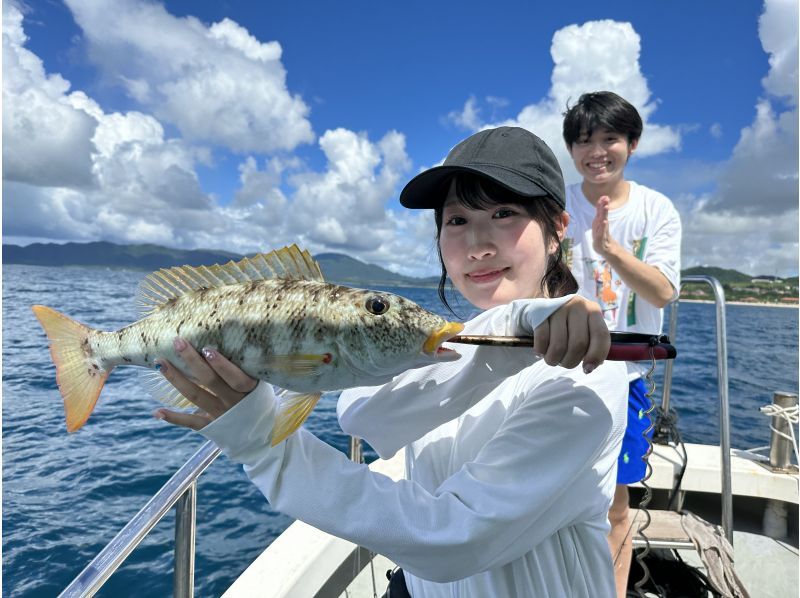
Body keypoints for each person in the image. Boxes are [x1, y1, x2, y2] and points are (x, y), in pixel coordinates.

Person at [154, 126, 629, 597]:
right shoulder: (452, 350)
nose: (478, 244)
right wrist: (508, 329)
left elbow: (454, 538)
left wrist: (263, 446)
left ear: (557, 232)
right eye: (456, 220)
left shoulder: (589, 370)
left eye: (504, 213)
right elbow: (364, 413)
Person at [562, 91, 682, 597]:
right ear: (571, 148)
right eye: (584, 140)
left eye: (609, 138)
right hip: (559, 367)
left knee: (615, 505)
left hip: (628, 374)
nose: (597, 151)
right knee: (555, 495)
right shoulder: (555, 205)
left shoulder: (656, 209)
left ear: (632, 143)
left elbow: (663, 290)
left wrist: (609, 249)